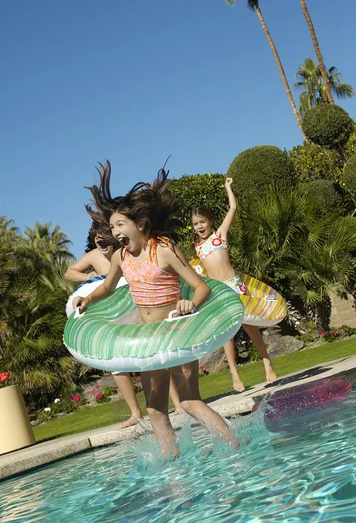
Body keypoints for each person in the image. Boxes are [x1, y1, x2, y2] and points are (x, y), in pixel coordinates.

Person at [74, 161, 239, 456]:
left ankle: (234, 446)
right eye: (112, 227)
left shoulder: (163, 249)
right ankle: (171, 463)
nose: (115, 231)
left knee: (189, 402)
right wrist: (89, 299)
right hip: (148, 339)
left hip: (176, 334)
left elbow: (201, 286)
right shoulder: (121, 258)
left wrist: (190, 304)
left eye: (120, 224)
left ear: (140, 225)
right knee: (155, 409)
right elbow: (109, 287)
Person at [65, 222, 183, 423]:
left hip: (132, 308)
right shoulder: (97, 256)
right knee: (118, 363)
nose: (101, 240)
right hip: (111, 315)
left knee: (155, 356)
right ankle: (136, 413)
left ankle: (178, 403)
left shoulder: (125, 254)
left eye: (105, 235)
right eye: (97, 237)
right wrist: (89, 278)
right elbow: (71, 273)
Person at [191, 177, 277, 393]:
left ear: (210, 221)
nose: (199, 226)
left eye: (202, 221)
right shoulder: (197, 249)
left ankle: (266, 361)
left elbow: (233, 207)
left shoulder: (219, 236)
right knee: (227, 333)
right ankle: (234, 373)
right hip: (218, 292)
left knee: (250, 326)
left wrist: (228, 188)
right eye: (195, 223)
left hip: (234, 285)